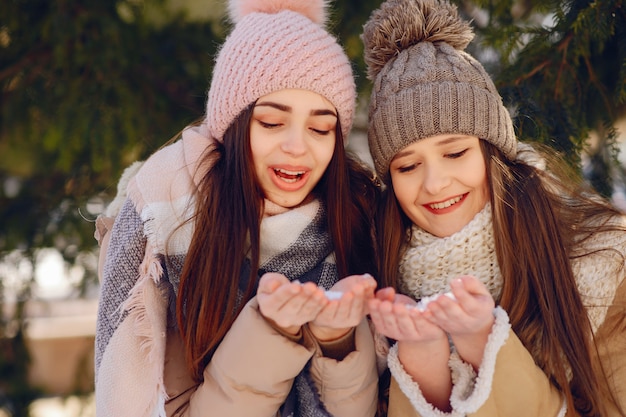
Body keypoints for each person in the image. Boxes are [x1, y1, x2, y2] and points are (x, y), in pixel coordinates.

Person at [93, 0, 382, 416]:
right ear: (233, 124)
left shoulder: (359, 218)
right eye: (271, 122)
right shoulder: (167, 227)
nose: (298, 147)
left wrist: (338, 341)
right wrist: (270, 332)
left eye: (321, 128)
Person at [360, 0, 626, 416]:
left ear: (493, 153)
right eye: (408, 166)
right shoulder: (380, 286)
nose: (434, 183)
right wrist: (424, 371)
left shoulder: (602, 264)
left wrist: (486, 343)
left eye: (454, 153)